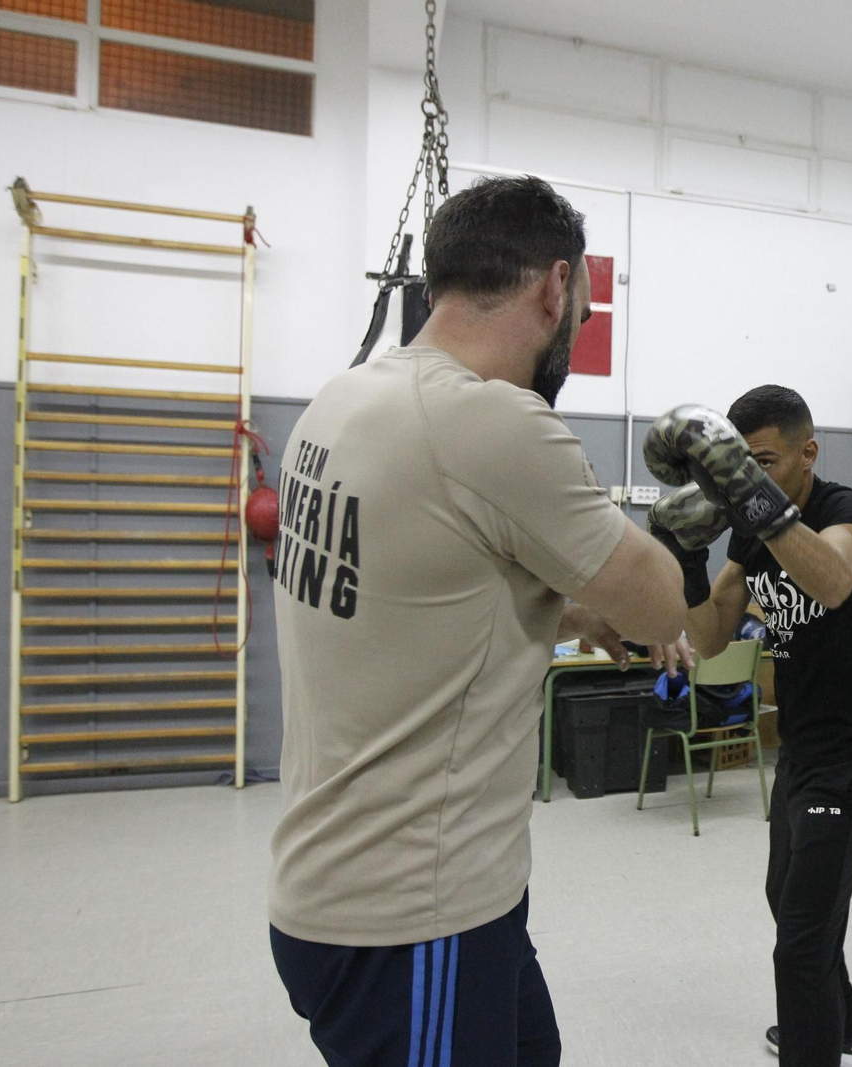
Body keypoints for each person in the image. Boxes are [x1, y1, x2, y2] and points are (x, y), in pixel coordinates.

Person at [267, 175, 690, 1067]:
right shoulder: (490, 422)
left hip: (359, 887)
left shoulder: (341, 400)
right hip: (412, 915)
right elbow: (660, 600)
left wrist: (571, 614)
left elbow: (424, 591)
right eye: (576, 311)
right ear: (555, 287)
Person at [643, 386, 852, 1067]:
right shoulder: (751, 534)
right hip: (802, 752)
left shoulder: (843, 512)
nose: (750, 480)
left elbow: (836, 579)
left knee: (800, 942)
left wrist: (757, 501)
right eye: (741, 466)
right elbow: (711, 636)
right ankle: (844, 1028)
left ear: (807, 453)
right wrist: (688, 561)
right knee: (789, 899)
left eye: (765, 463)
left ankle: (818, 1036)